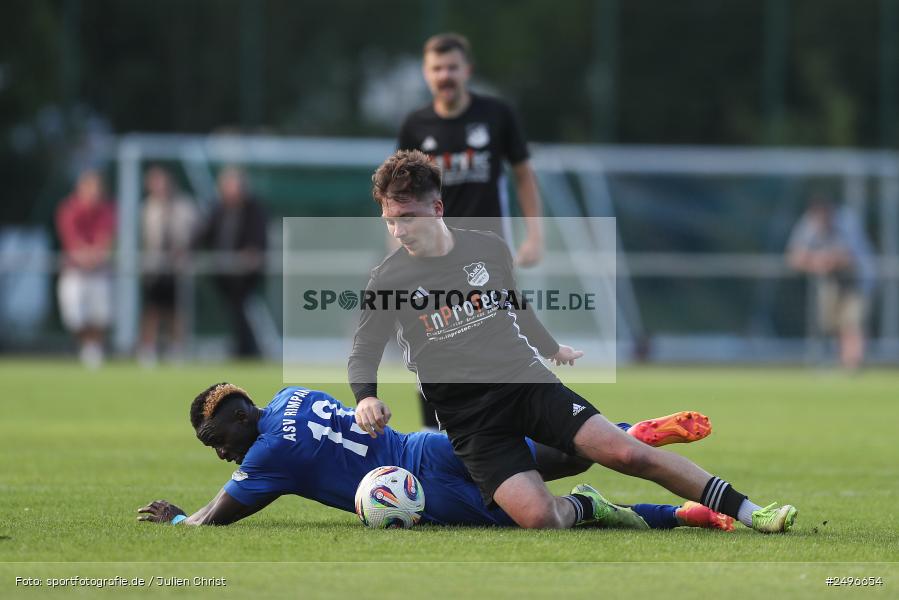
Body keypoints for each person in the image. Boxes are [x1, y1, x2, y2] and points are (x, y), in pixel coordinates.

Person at [348, 150, 798, 532]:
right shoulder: (387, 280)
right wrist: (366, 397)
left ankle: (752, 512)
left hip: (526, 385)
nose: (399, 231)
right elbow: (363, 352)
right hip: (470, 421)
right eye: (390, 221)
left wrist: (550, 349)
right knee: (540, 518)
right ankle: (592, 505)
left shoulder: (486, 249)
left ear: (438, 209)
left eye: (407, 218)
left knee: (627, 454)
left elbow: (516, 306)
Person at [137, 383, 733, 532]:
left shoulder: (269, 452)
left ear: (241, 419)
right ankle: (629, 432)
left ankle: (675, 515)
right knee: (559, 453)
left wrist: (184, 521)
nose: (222, 455)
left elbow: (222, 511)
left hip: (415, 490)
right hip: (426, 447)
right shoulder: (293, 395)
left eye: (219, 441)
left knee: (546, 514)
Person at [398, 33, 546, 429]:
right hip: (432, 253)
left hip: (487, 250)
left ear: (467, 70)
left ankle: (518, 429)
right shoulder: (416, 125)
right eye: (436, 68)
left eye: (451, 67)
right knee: (432, 336)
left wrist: (535, 234)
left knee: (501, 335)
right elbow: (401, 195)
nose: (444, 75)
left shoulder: (497, 114)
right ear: (427, 74)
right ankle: (437, 438)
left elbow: (523, 175)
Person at [787, 195, 875, 370]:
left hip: (856, 279)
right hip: (831, 282)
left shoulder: (847, 222)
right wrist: (816, 261)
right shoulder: (809, 224)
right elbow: (794, 257)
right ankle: (842, 360)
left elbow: (849, 257)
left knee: (852, 322)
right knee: (832, 324)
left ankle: (853, 364)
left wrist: (826, 259)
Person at [194, 166, 268, 358]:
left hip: (245, 275)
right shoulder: (217, 209)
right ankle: (244, 349)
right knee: (235, 312)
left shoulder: (253, 210)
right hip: (224, 274)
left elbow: (259, 238)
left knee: (242, 310)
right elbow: (203, 233)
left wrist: (252, 252)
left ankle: (247, 350)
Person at [55, 169, 116, 368]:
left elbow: (106, 237)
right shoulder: (68, 208)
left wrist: (96, 254)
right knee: (74, 315)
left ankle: (94, 350)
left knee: (101, 314)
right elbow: (70, 237)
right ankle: (86, 346)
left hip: (99, 269)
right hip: (75, 269)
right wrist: (84, 255)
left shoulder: (107, 209)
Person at [138, 166, 196, 366]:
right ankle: (148, 349)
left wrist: (183, 249)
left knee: (175, 310)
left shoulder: (184, 206)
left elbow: (194, 233)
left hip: (177, 267)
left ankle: (176, 349)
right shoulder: (147, 208)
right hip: (154, 266)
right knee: (152, 308)